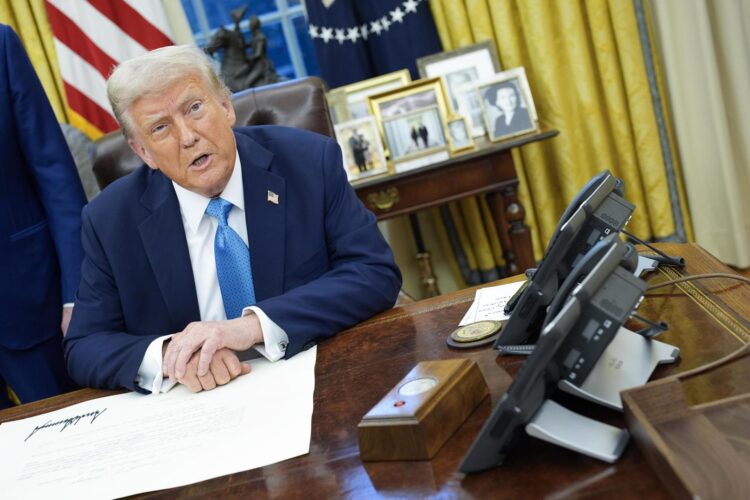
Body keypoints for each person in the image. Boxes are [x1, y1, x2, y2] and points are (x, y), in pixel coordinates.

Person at [63, 45, 402, 393]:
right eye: (161, 128)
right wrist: (172, 355)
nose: (187, 136)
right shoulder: (109, 220)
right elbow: (84, 345)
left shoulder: (309, 162)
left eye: (194, 108)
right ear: (143, 152)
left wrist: (251, 327)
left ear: (225, 107)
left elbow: (374, 272)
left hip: (319, 381)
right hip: (199, 406)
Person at [0, 24, 86, 408]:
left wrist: (76, 294)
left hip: (30, 299)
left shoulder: (1, 45)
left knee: (77, 434)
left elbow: (56, 177)